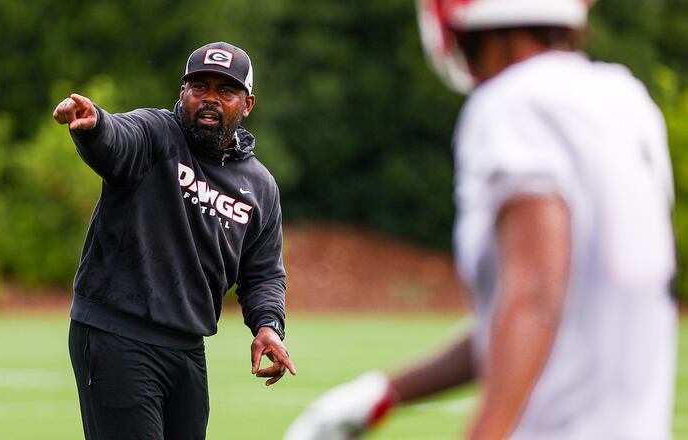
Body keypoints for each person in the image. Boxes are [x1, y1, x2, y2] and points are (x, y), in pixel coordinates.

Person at [285, 0, 677, 439]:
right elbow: (552, 309)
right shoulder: (626, 98)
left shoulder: (512, 104)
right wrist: (388, 392)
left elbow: (535, 297)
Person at [52, 41, 296, 440]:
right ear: (182, 93)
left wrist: (268, 326)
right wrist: (94, 122)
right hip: (117, 335)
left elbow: (263, 273)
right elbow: (116, 140)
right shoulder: (156, 135)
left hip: (187, 348)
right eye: (199, 86)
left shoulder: (259, 186)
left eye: (226, 90)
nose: (210, 99)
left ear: (247, 104)